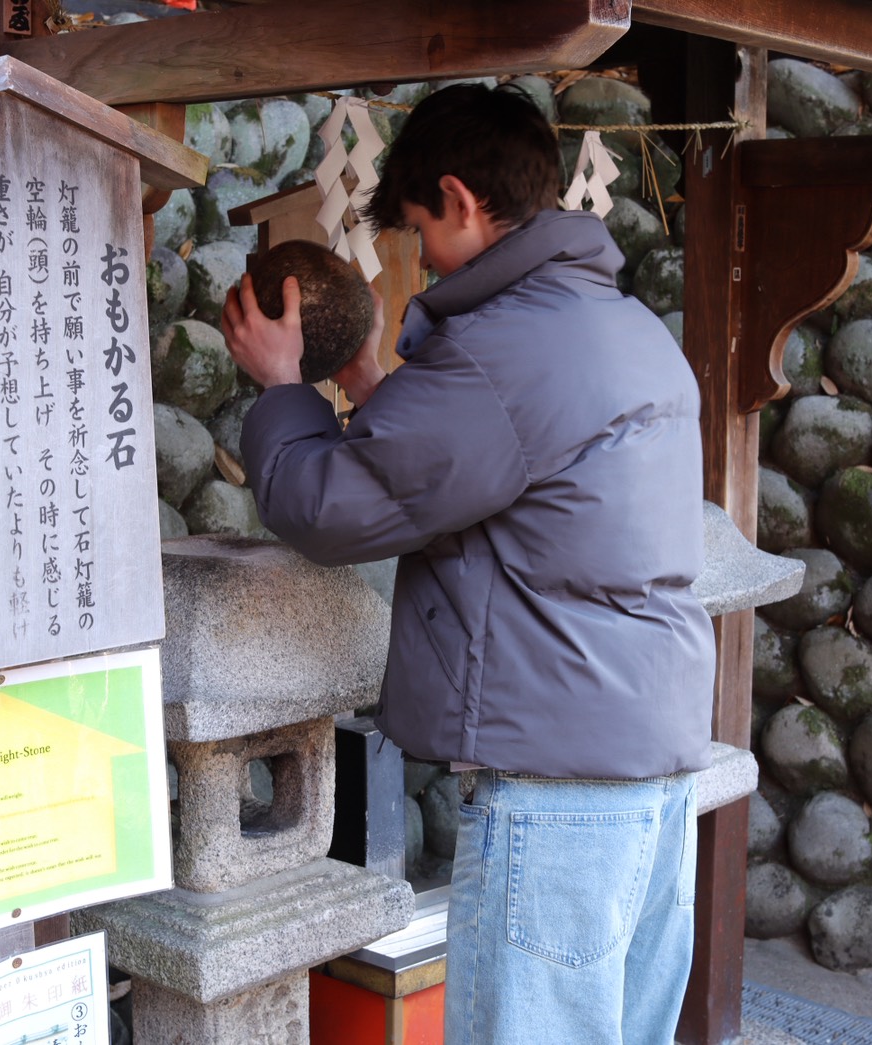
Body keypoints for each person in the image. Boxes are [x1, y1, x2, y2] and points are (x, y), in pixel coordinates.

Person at [219, 83, 716, 1045]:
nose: (418, 253)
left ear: (458, 198)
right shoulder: (619, 325)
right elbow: (475, 462)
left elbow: (329, 506)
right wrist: (367, 381)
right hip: (647, 766)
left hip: (555, 786)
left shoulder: (502, 353)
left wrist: (282, 387)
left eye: (415, 228)